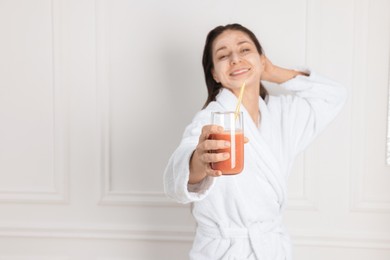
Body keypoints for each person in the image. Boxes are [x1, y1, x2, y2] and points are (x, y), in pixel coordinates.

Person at [164, 23, 346, 260]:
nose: (235, 59)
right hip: (224, 251)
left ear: (261, 59)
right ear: (215, 74)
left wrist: (271, 71)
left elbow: (334, 96)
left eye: (244, 50)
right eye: (223, 55)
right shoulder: (211, 119)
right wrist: (200, 160)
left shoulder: (282, 115)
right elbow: (177, 179)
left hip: (271, 248)